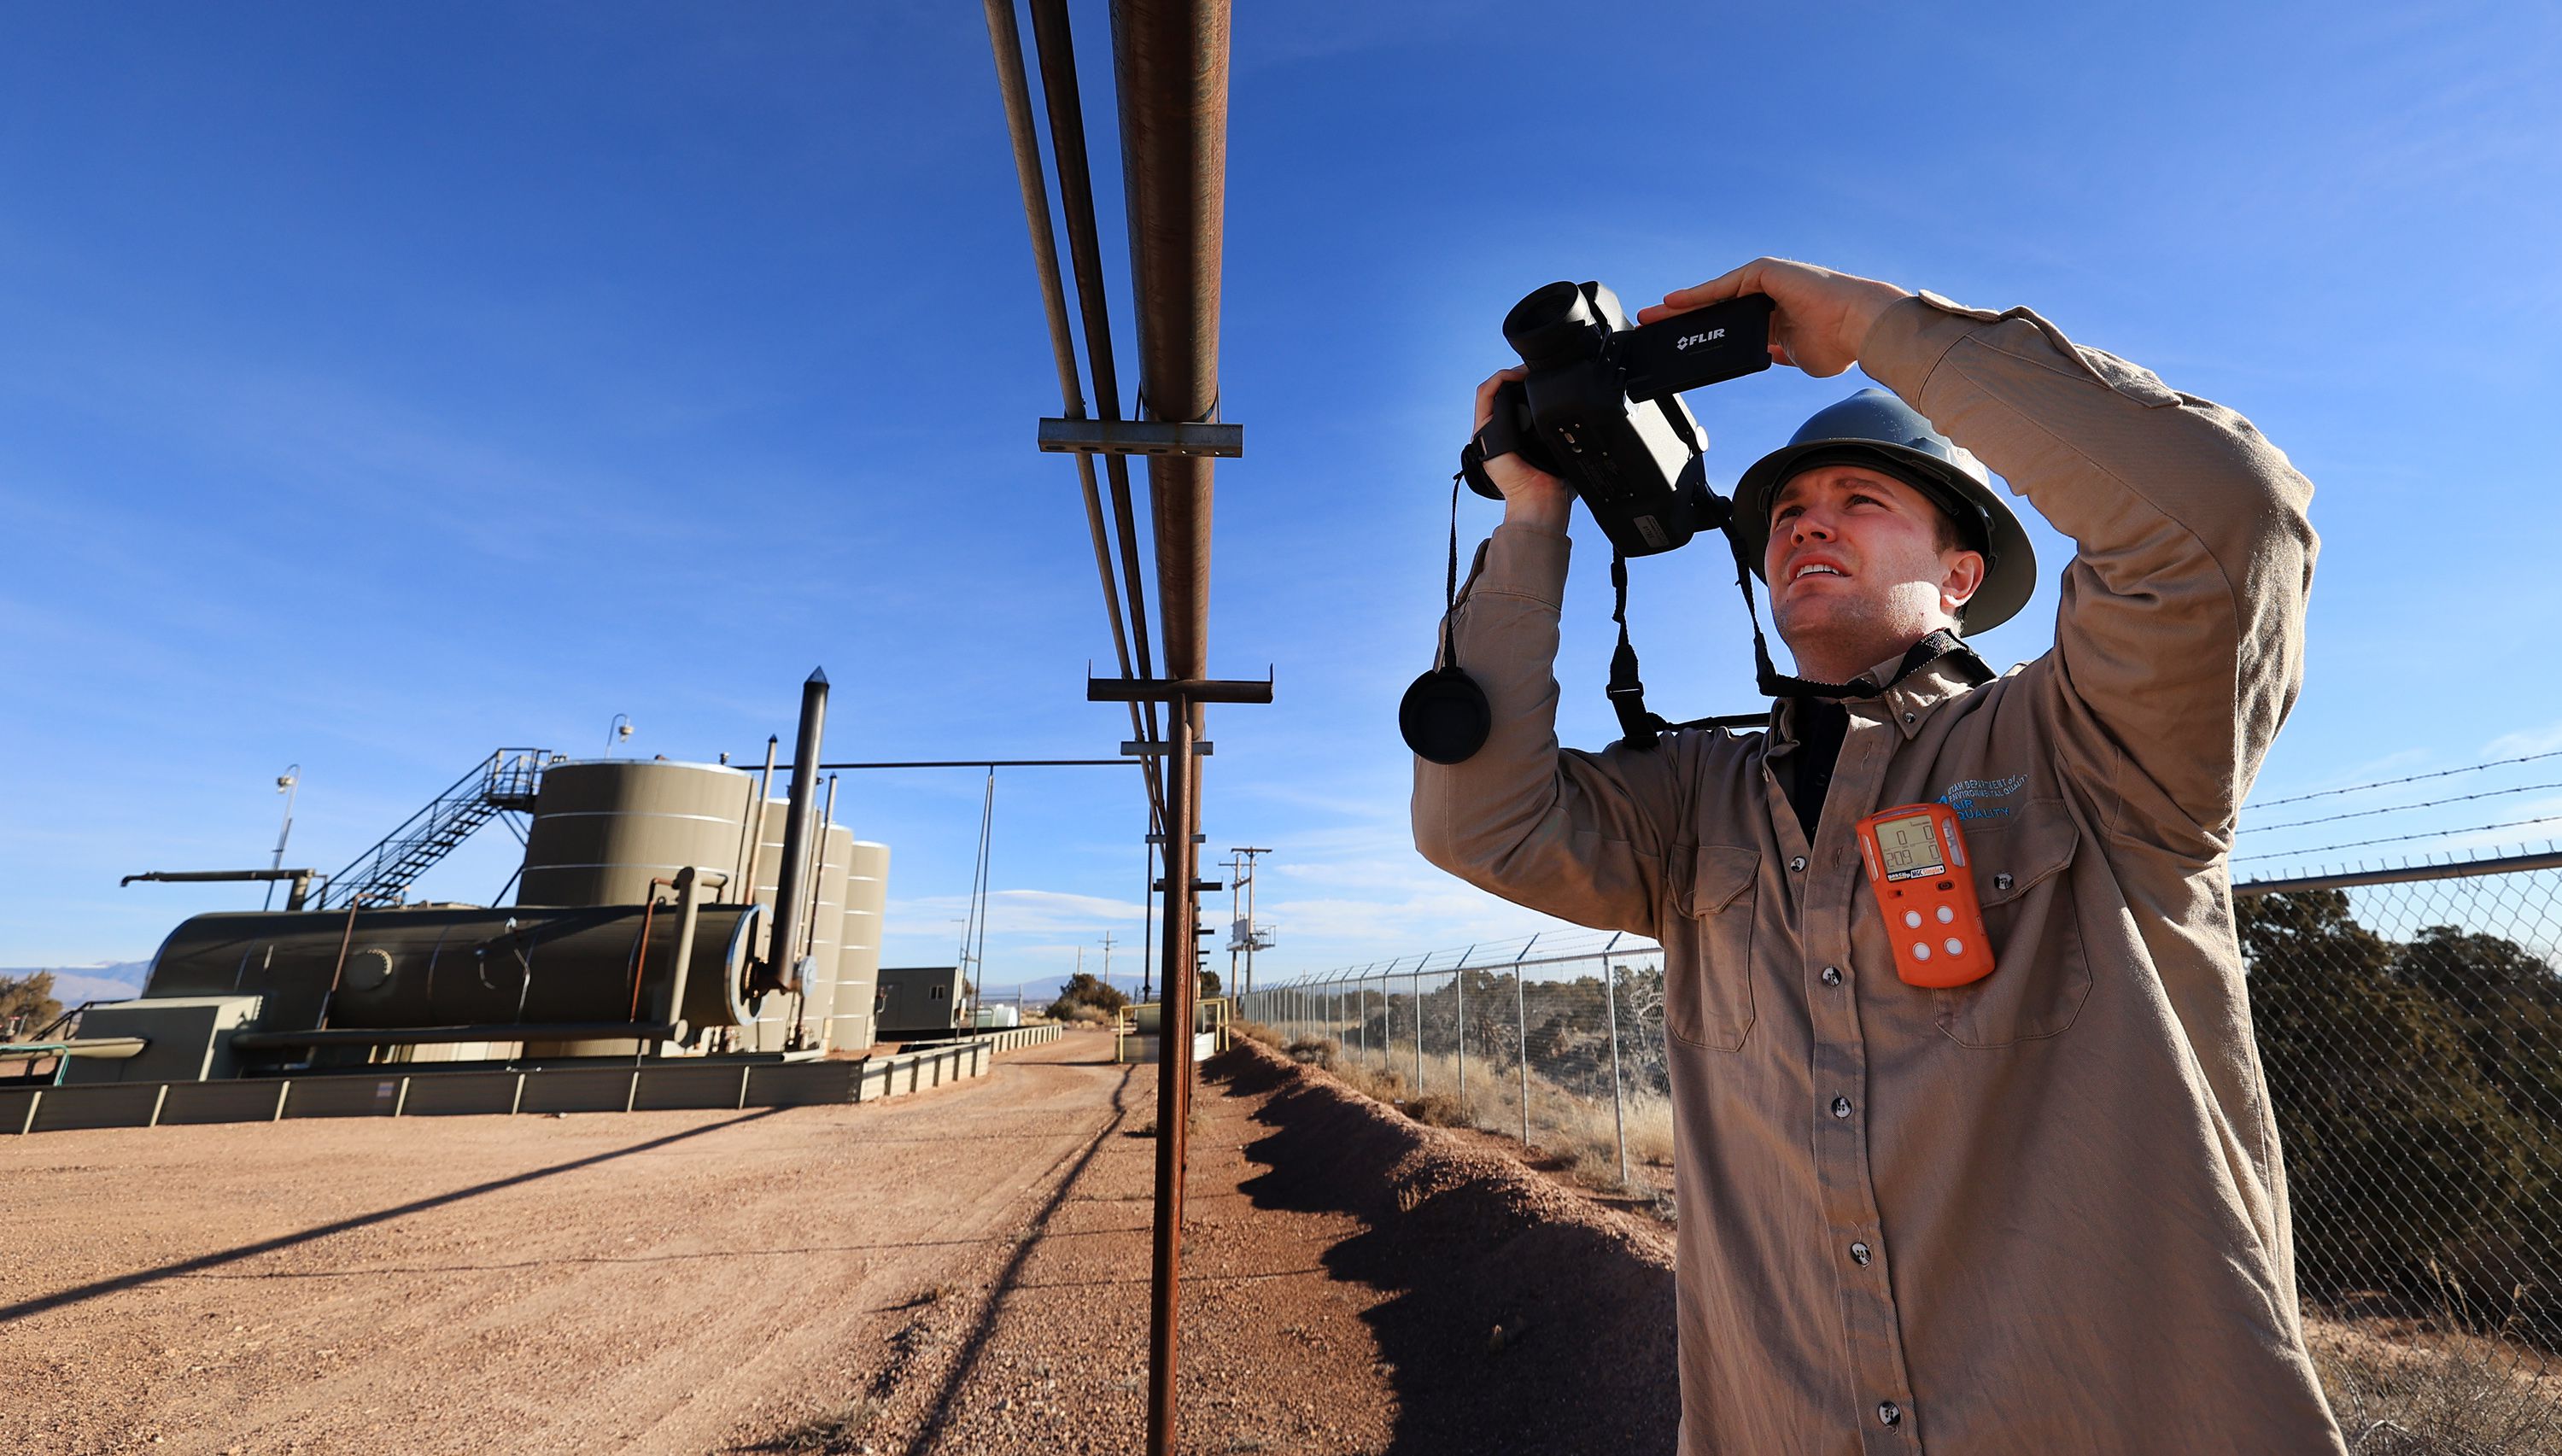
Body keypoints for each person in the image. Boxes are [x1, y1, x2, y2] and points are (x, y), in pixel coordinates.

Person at [1413, 258, 2343, 1454]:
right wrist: (1532, 516)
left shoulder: (2091, 743)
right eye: (1790, 513)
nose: (1807, 521)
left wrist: (1876, 330)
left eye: (1862, 500)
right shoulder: (1704, 801)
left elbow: (2231, 520)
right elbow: (1476, 821)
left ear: (1961, 575)